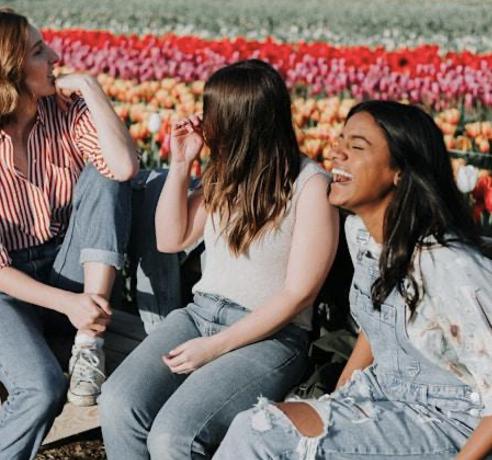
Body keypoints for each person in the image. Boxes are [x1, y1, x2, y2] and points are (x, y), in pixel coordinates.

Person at [214, 100, 492, 460]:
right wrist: (337, 400)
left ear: (400, 172)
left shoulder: (447, 264)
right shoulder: (362, 235)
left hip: (445, 425)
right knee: (260, 426)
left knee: (259, 433)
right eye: (341, 139)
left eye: (356, 146)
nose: (336, 151)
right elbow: (377, 329)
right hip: (381, 399)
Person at [98, 59, 339, 460]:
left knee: (173, 436)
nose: (203, 122)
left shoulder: (310, 185)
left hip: (270, 337)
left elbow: (299, 293)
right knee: (119, 403)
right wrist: (180, 164)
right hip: (198, 316)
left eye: (211, 113)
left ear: (240, 122)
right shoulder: (226, 173)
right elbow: (171, 238)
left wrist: (216, 347)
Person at [0, 9, 138, 460]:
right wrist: (70, 304)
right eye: (38, 50)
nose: (55, 56)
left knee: (104, 175)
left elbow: (122, 168)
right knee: (41, 389)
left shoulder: (66, 112)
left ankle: (89, 344)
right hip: (0, 288)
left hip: (64, 266)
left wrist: (90, 87)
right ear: (8, 70)